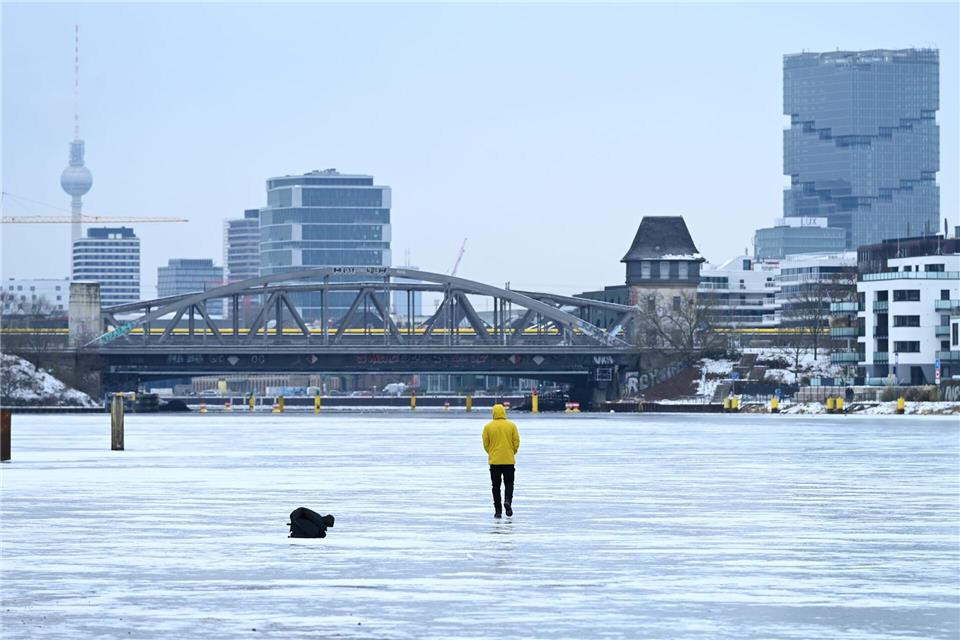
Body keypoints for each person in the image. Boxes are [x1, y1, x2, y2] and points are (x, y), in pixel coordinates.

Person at [482, 403, 520, 518]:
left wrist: (491, 452)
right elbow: (516, 442)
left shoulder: (488, 427)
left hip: (495, 461)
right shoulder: (511, 426)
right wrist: (512, 452)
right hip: (508, 461)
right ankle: (508, 501)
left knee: (495, 486)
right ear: (504, 412)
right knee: (509, 484)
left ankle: (498, 511)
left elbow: (485, 444)